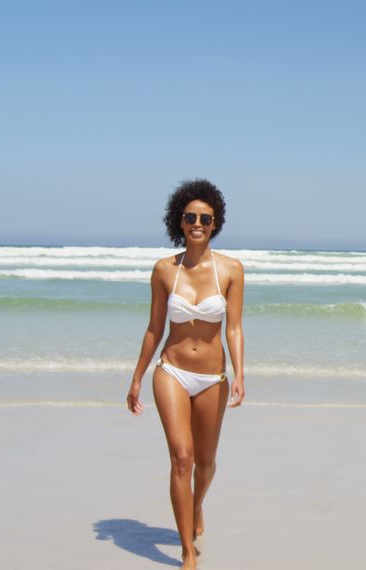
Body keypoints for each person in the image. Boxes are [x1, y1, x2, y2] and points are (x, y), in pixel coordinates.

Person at [126, 179, 245, 569]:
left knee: (206, 463)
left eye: (205, 218)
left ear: (215, 223)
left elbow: (234, 328)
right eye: (191, 217)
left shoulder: (231, 269)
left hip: (213, 377)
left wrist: (240, 374)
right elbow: (153, 328)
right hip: (171, 371)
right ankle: (187, 552)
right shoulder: (163, 270)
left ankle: (196, 506)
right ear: (180, 221)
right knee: (182, 459)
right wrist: (137, 377)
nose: (198, 223)